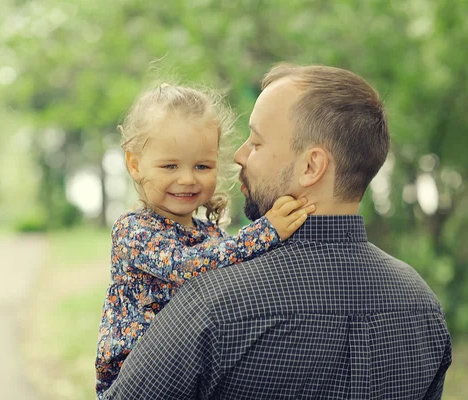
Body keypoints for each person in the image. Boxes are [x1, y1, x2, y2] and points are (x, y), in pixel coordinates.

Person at [103, 64, 452, 400]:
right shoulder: (423, 307)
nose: (238, 156)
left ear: (311, 166)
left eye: (255, 143)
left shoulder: (210, 305)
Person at [95, 83, 316, 398]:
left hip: (190, 373)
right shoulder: (134, 231)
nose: (187, 178)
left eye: (202, 166)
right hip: (137, 380)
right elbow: (186, 268)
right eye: (170, 165)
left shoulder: (212, 235)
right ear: (135, 164)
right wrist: (266, 232)